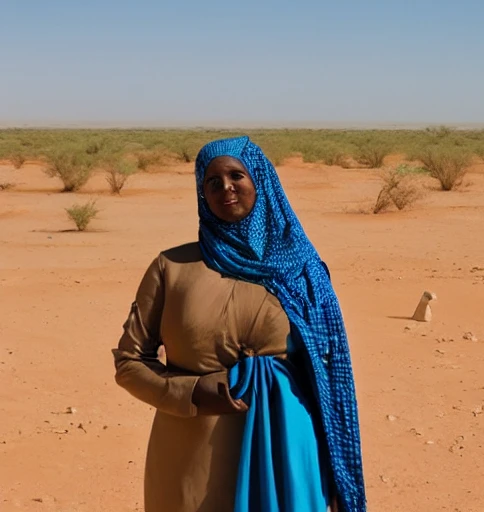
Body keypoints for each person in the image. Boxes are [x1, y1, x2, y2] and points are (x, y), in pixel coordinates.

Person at [113, 136, 366, 512]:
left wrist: (336, 468)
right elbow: (129, 363)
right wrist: (193, 392)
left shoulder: (303, 270)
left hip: (288, 445)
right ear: (202, 194)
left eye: (236, 176)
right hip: (192, 449)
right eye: (212, 182)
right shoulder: (172, 267)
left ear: (260, 181)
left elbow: (329, 379)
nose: (226, 188)